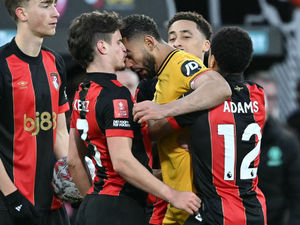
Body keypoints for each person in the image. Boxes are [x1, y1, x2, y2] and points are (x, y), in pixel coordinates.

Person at [66, 11, 201, 225]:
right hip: (120, 209)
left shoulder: (81, 93)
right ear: (102, 47)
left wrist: (92, 201)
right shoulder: (116, 94)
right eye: (119, 42)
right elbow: (122, 162)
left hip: (92, 208)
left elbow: (73, 161)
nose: (123, 49)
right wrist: (173, 194)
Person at [121, 14, 231, 225]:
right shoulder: (161, 76)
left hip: (188, 208)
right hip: (171, 206)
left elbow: (220, 88)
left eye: (130, 55)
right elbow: (157, 131)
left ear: (149, 42)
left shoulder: (181, 63)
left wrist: (165, 109)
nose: (128, 64)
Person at [150, 26, 267, 225]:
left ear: (212, 60)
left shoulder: (202, 101)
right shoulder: (259, 95)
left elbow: (154, 131)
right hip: (255, 211)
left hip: (215, 212)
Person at [0, 1, 70, 225]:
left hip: (53, 203)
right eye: (45, 5)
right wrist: (11, 196)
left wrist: (75, 174)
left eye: (54, 5)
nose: (55, 12)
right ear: (22, 13)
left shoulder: (55, 61)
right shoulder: (2, 65)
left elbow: (60, 132)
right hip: (10, 203)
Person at [251, 71, 300, 225]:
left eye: (271, 99)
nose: (266, 104)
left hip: (276, 219)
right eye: (262, 98)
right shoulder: (230, 137)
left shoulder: (287, 141)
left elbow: (296, 193)